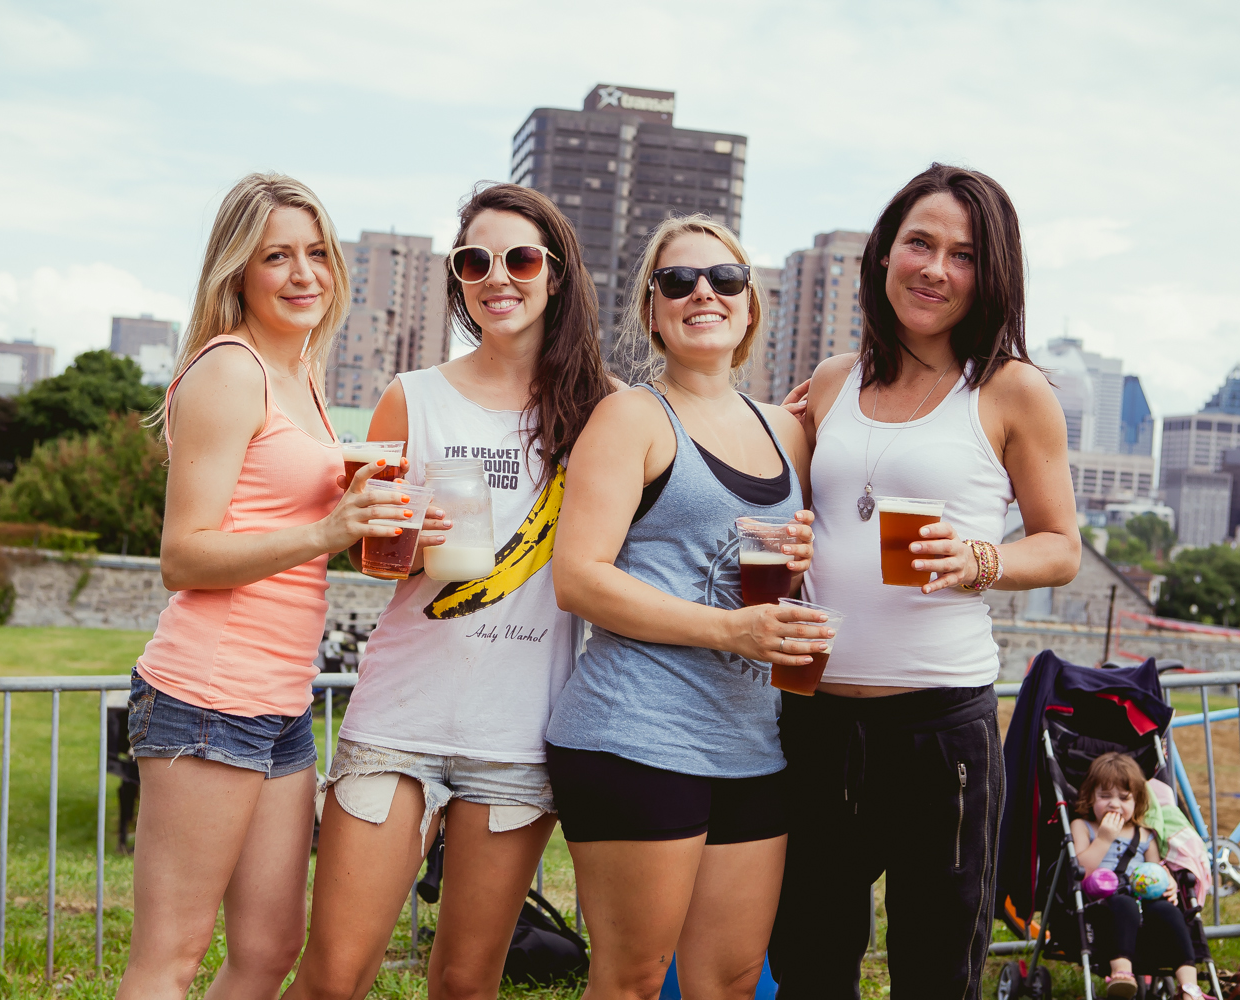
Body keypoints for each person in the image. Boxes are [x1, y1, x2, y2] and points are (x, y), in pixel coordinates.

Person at [284, 183, 614, 1000]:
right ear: (459, 280)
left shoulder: (599, 415)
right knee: (333, 976)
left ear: (558, 274)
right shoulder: (412, 395)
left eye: (521, 258)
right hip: (402, 717)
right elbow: (375, 554)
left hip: (518, 737)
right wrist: (401, 543)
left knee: (466, 984)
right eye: (475, 261)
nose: (497, 277)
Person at [769, 163, 1082, 999]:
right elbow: (785, 502)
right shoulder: (833, 380)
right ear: (883, 256)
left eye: (965, 254)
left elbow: (1060, 548)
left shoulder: (1013, 391)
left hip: (942, 733)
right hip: (817, 719)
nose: (936, 268)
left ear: (993, 274)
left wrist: (984, 560)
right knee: (808, 960)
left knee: (936, 971)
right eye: (920, 243)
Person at [118, 173, 425, 1000]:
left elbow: (291, 529)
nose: (303, 274)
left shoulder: (306, 377)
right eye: (276, 256)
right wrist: (328, 532)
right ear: (237, 272)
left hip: (280, 705)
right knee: (171, 955)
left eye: (317, 253)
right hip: (205, 695)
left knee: (268, 947)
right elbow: (184, 556)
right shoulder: (229, 369)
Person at [546, 214, 832, 1000]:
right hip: (635, 732)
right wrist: (733, 628)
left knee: (731, 982)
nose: (703, 291)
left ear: (750, 305)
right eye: (678, 281)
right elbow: (580, 578)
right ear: (652, 311)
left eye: (725, 278)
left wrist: (797, 573)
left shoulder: (788, 432)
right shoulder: (631, 417)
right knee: (634, 981)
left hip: (749, 742)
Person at [1071, 753, 1202, 998]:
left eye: (1124, 798)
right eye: (1105, 796)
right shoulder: (1083, 826)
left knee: (1170, 911)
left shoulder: (1144, 834)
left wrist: (1169, 883)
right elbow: (1080, 870)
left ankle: (1189, 987)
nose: (1114, 804)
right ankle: (1122, 974)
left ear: (1137, 801)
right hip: (1104, 901)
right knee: (1124, 904)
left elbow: (1155, 869)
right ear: (1090, 797)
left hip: (1143, 900)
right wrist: (1104, 838)